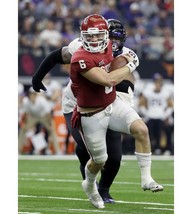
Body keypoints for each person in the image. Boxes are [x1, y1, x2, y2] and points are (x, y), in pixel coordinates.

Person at [32, 18, 136, 204]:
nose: (113, 44)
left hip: (107, 103)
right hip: (76, 105)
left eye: (117, 40)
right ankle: (90, 185)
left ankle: (104, 190)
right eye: (110, 38)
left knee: (114, 155)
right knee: (86, 149)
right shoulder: (80, 48)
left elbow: (126, 84)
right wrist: (38, 77)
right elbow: (57, 55)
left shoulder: (125, 57)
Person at [69, 14, 163, 209]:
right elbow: (108, 80)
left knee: (142, 130)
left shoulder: (110, 47)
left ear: (106, 35)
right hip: (91, 114)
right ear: (82, 36)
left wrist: (127, 60)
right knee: (99, 160)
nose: (94, 40)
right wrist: (130, 64)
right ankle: (89, 184)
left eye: (98, 36)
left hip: (112, 103)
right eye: (90, 36)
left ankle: (146, 178)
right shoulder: (80, 57)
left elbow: (121, 57)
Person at [138, 73, 174, 155]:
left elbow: (170, 106)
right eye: (156, 82)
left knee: (163, 131)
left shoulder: (166, 92)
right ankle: (151, 148)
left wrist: (166, 115)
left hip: (161, 116)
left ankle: (163, 148)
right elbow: (142, 104)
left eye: (159, 82)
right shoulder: (148, 92)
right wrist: (147, 114)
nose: (158, 84)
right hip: (151, 116)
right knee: (149, 132)